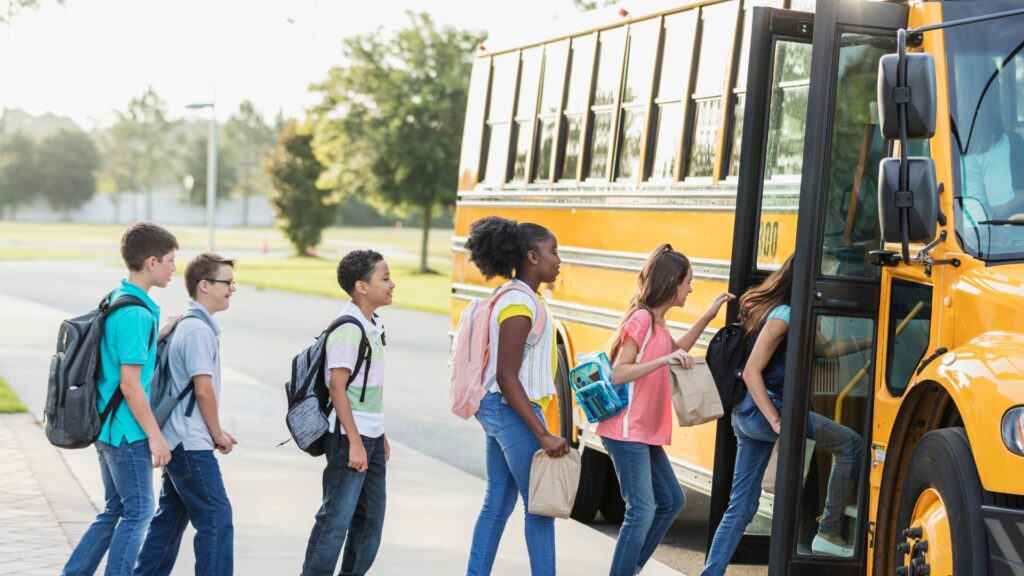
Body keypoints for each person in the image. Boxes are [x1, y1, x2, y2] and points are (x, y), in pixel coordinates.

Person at [702, 255, 864, 576]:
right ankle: (828, 531)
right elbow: (751, 372)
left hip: (748, 417)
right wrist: (778, 422)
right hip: (765, 412)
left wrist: (872, 338)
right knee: (851, 445)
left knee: (742, 506)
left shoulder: (794, 314)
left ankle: (711, 573)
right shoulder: (785, 315)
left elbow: (829, 350)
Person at [599, 244, 733, 576]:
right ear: (672, 282)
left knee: (672, 501)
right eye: (687, 282)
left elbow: (677, 350)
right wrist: (662, 360)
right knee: (641, 511)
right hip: (626, 430)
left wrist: (708, 316)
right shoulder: (642, 319)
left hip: (644, 432)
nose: (690, 289)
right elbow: (619, 372)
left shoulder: (658, 323)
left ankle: (629, 569)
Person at [63, 221, 179, 576]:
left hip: (107, 426)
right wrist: (155, 437)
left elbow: (121, 356)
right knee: (139, 512)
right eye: (171, 260)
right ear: (152, 263)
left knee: (115, 510)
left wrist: (158, 334)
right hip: (128, 433)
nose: (176, 268)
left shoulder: (120, 297)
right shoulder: (136, 313)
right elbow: (130, 385)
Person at [463, 216, 571, 576]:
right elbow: (507, 377)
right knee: (539, 508)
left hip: (501, 410)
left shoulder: (520, 297)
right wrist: (542, 433)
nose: (558, 259)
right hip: (511, 411)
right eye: (552, 252)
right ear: (531, 257)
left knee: (498, 501)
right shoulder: (518, 305)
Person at [135, 252, 239, 576]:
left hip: (178, 439)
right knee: (217, 520)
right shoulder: (196, 331)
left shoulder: (191, 323)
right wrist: (217, 433)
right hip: (189, 442)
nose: (233, 289)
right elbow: (203, 389)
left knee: (169, 519)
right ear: (204, 285)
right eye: (227, 282)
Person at [302, 250, 393, 576]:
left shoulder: (373, 325)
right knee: (336, 519)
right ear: (361, 287)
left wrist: (379, 434)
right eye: (384, 278)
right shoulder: (348, 329)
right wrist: (355, 441)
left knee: (370, 519)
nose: (392, 284)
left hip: (370, 436)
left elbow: (367, 392)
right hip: (347, 438)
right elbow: (338, 388)